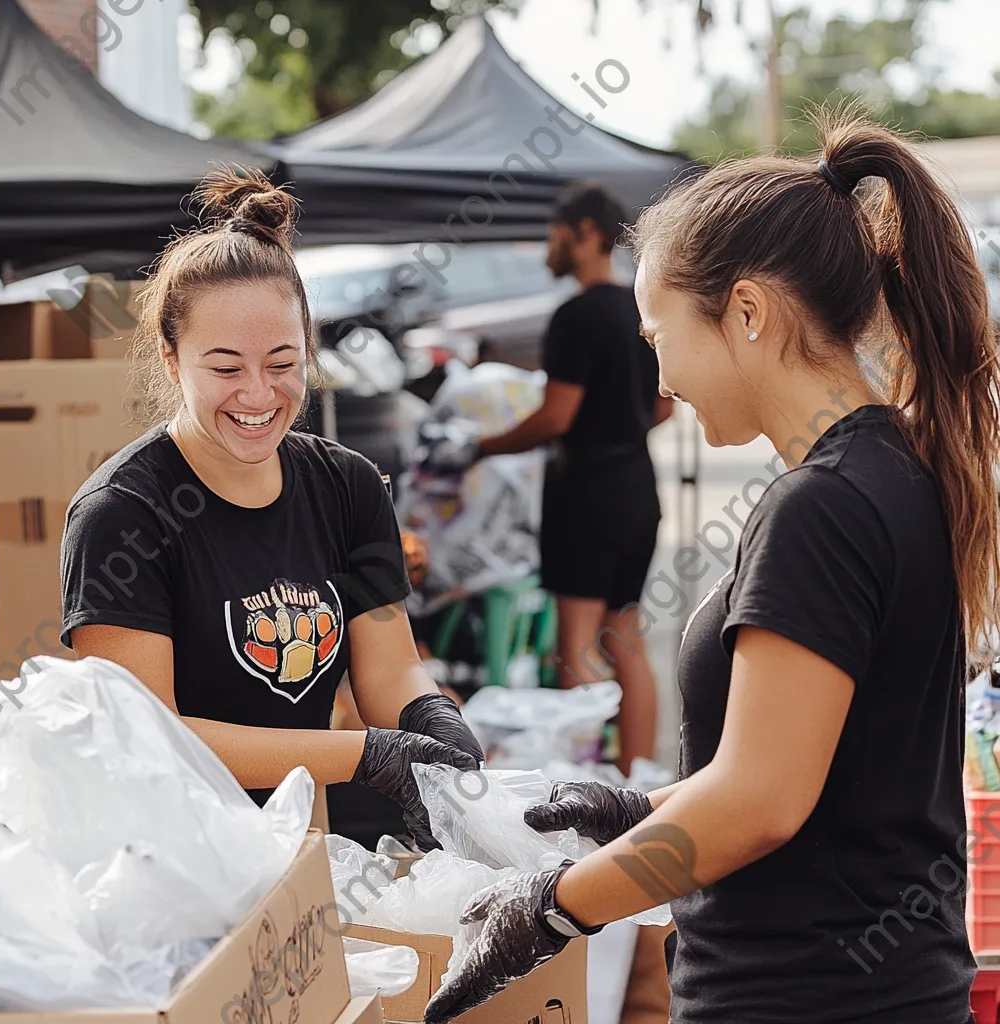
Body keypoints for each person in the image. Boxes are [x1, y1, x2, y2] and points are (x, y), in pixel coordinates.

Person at [423, 114, 998, 1024]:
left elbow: (761, 801)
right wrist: (645, 805)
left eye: (659, 336)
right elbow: (815, 764)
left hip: (807, 999)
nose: (660, 378)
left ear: (748, 312)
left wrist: (553, 908)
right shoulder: (892, 471)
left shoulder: (822, 507)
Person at [59, 169, 483, 852]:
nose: (258, 395)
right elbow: (147, 735)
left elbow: (388, 667)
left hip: (300, 850)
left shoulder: (349, 488)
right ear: (171, 361)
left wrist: (431, 718)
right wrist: (363, 756)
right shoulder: (122, 515)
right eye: (225, 368)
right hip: (164, 863)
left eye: (282, 362)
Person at [439, 181, 673, 775]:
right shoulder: (641, 309)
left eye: (555, 233)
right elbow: (665, 406)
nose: (548, 247)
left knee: (577, 646)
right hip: (638, 488)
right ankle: (636, 779)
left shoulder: (576, 314)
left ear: (586, 234)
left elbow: (556, 416)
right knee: (628, 640)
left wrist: (480, 446)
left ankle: (583, 790)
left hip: (588, 494)